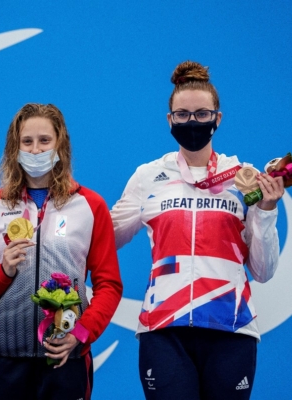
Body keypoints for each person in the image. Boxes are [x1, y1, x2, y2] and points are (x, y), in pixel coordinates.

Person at [111, 61, 285, 399]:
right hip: (164, 329)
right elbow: (106, 236)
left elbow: (263, 272)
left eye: (202, 114)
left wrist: (266, 210)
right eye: (183, 115)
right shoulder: (149, 176)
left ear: (218, 118)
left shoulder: (243, 178)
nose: (193, 122)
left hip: (231, 327)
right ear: (169, 120)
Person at [0, 103, 123, 400]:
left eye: (44, 141)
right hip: (5, 360)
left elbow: (109, 285)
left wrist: (80, 335)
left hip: (66, 356)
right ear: (15, 148)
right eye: (27, 142)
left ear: (60, 145)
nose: (36, 150)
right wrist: (3, 272)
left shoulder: (90, 206)